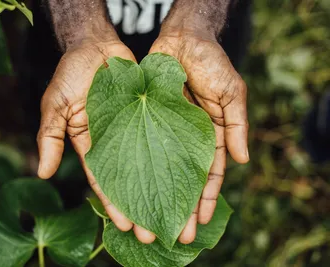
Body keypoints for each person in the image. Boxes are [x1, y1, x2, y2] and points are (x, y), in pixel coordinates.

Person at [36, 0, 250, 245]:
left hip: (197, 55)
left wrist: (198, 19)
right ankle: (66, 195)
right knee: (68, 127)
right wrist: (81, 29)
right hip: (77, 48)